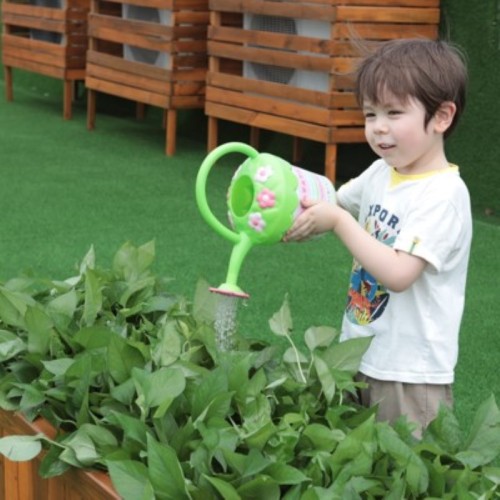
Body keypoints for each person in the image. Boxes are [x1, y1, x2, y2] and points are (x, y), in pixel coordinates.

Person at [284, 38, 472, 436]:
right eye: (371, 114)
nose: (378, 127)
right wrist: (293, 211)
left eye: (394, 112)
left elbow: (400, 274)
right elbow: (332, 200)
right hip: (361, 352)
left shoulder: (443, 196)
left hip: (410, 374)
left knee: (406, 476)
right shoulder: (381, 171)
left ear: (441, 116)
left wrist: (337, 221)